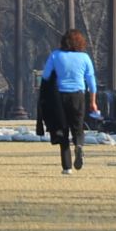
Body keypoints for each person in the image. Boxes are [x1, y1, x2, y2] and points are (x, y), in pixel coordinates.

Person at [40, 28, 99, 174]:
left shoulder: (55, 55)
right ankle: (79, 145)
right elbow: (91, 81)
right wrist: (93, 101)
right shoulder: (84, 58)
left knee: (62, 130)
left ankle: (67, 167)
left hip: (59, 96)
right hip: (78, 95)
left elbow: (46, 76)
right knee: (77, 126)